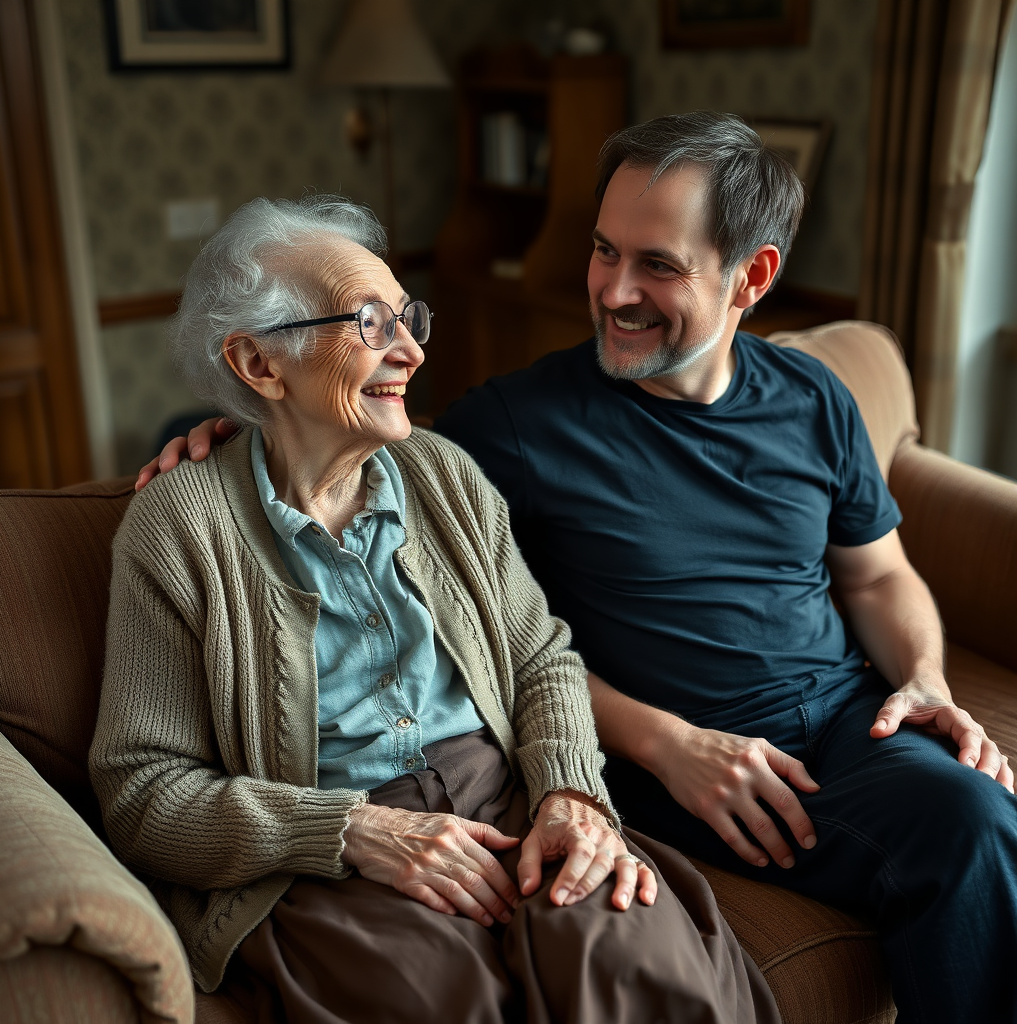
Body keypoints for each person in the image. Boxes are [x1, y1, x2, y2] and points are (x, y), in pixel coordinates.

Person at [146, 115, 1017, 1023]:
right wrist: (231, 430)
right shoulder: (520, 428)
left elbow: (878, 578)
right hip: (672, 756)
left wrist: (923, 680)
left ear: (750, 278)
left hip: (844, 721)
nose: (614, 291)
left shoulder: (814, 396)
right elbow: (358, 453)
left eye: (659, 266)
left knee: (982, 823)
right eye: (605, 252)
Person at [95, 193, 778, 1024]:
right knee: (448, 1003)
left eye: (408, 317)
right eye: (372, 323)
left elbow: (540, 659)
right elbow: (143, 792)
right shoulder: (177, 530)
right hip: (326, 849)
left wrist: (570, 789)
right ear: (260, 366)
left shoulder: (445, 476)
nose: (412, 350)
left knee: (639, 968)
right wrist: (351, 833)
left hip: (510, 796)